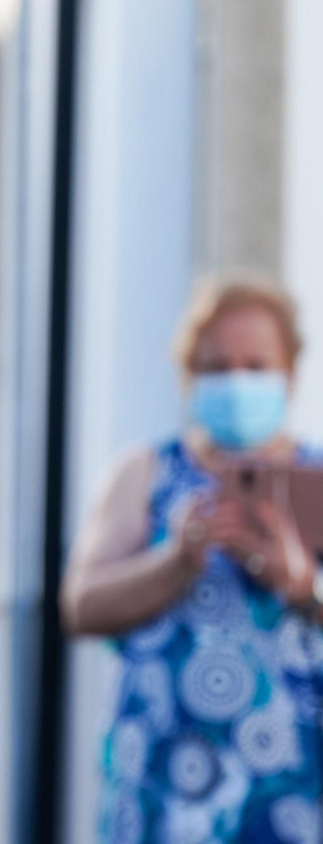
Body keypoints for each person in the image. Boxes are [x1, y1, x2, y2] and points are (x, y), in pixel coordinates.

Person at [63, 278, 323, 843]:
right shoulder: (145, 473)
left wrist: (300, 586)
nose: (237, 381)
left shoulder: (317, 479)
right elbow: (79, 607)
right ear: (188, 375)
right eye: (217, 366)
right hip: (163, 788)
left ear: (291, 372)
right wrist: (175, 561)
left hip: (294, 791)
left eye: (256, 366)